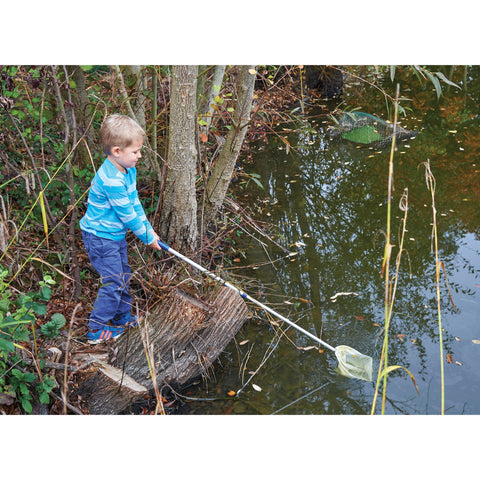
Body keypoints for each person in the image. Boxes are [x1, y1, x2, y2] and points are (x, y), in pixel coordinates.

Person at [79, 114, 162, 344]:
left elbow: (134, 203)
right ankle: (95, 330)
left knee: (123, 276)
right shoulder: (111, 181)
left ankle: (121, 319)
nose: (140, 155)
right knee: (114, 281)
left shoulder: (127, 170)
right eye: (135, 152)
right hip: (100, 238)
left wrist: (149, 229)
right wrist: (147, 238)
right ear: (117, 151)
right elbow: (126, 215)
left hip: (113, 236)